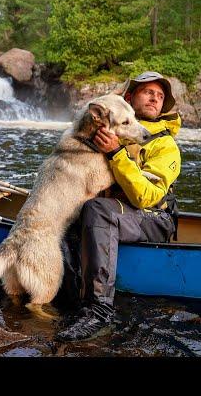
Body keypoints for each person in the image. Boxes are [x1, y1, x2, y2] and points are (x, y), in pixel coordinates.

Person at [55, 71, 182, 342]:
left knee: (97, 210)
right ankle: (67, 296)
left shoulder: (166, 146)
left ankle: (99, 311)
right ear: (128, 97)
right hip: (116, 210)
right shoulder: (107, 129)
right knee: (72, 212)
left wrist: (116, 154)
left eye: (160, 96)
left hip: (155, 217)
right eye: (148, 92)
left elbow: (146, 197)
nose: (155, 99)